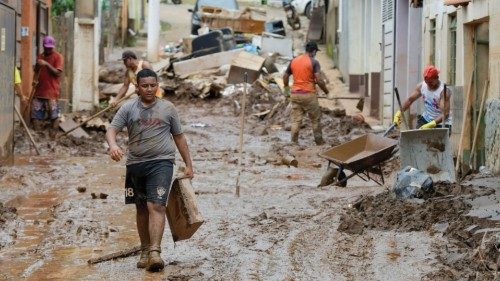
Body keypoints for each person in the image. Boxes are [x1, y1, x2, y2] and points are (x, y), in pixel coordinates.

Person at [106, 69, 193, 272]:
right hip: (136, 164)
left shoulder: (168, 108)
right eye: (144, 85)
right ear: (137, 87)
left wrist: (188, 164)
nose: (149, 89)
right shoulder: (128, 108)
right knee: (141, 207)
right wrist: (113, 146)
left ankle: (155, 252)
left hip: (162, 162)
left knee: (157, 205)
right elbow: (112, 129)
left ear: (158, 86)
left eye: (153, 85)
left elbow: (179, 137)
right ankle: (145, 249)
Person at [283, 41, 329, 145]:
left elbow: (285, 76)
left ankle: (293, 142)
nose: (315, 54)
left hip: (295, 94)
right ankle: (319, 142)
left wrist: (286, 91)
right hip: (308, 95)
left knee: (296, 120)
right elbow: (320, 80)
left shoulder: (294, 61)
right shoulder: (314, 62)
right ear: (313, 51)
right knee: (315, 119)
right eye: (316, 52)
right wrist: (327, 92)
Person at [393, 65, 452, 130]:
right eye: (427, 82)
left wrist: (431, 124)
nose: (428, 85)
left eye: (431, 82)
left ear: (437, 78)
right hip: (426, 119)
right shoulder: (422, 86)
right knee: (416, 138)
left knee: (434, 140)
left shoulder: (443, 92)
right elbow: (410, 100)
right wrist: (399, 113)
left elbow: (445, 114)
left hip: (441, 123)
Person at [32, 36, 63, 133]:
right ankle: (38, 136)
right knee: (35, 116)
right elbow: (36, 71)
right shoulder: (40, 56)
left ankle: (53, 137)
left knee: (54, 116)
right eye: (46, 48)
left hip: (52, 92)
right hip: (39, 91)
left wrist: (46, 64)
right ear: (43, 46)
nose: (48, 50)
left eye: (50, 48)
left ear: (53, 47)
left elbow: (58, 73)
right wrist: (37, 66)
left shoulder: (58, 57)